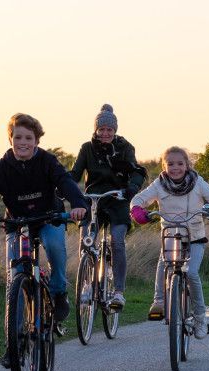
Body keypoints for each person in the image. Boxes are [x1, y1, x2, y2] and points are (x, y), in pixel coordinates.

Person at [0, 113, 87, 367]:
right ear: (10, 138)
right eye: (17, 137)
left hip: (48, 217)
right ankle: (13, 345)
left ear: (37, 140)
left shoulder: (48, 162)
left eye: (28, 138)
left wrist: (77, 204)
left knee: (54, 246)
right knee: (15, 279)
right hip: (17, 223)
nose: (22, 142)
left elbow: (66, 183)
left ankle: (58, 291)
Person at [130, 146, 209, 339]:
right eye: (170, 164)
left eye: (180, 163)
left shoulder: (197, 183)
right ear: (164, 166)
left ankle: (200, 318)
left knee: (192, 273)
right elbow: (139, 198)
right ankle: (159, 301)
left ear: (187, 165)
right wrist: (137, 209)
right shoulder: (159, 184)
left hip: (194, 237)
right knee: (164, 262)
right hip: (170, 236)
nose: (175, 168)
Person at [69, 104, 146, 311]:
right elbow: (75, 173)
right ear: (95, 129)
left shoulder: (125, 147)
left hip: (117, 199)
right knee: (86, 241)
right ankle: (86, 284)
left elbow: (137, 171)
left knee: (117, 242)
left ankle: (119, 292)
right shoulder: (87, 148)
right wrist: (62, 186)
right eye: (101, 129)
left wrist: (132, 187)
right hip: (93, 199)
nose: (105, 133)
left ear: (115, 130)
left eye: (109, 130)